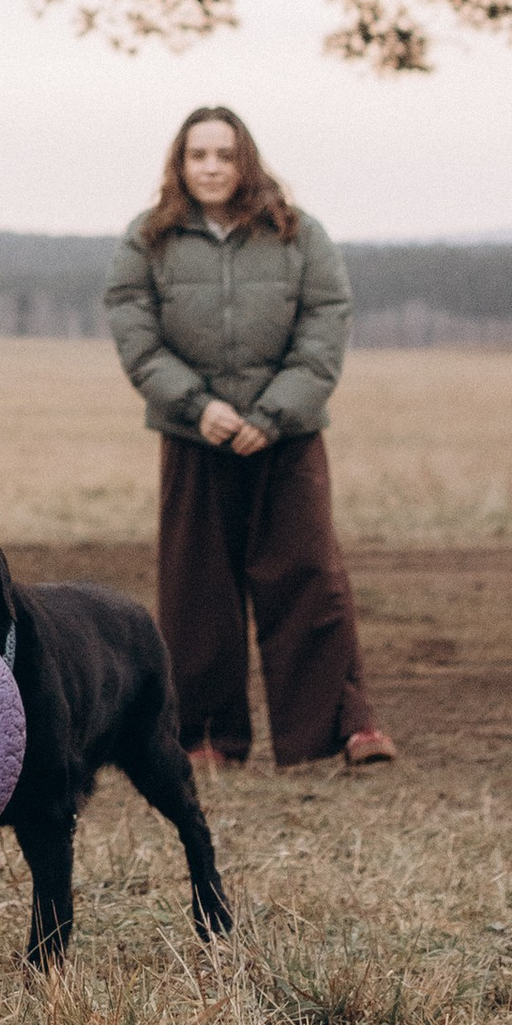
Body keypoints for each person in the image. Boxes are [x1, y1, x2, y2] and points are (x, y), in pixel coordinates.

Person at [104, 105, 395, 774]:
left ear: (247, 162)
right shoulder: (148, 239)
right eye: (197, 155)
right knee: (196, 589)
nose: (211, 167)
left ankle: (340, 730)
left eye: (225, 155)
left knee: (311, 578)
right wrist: (195, 404)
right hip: (193, 436)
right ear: (179, 165)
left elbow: (326, 325)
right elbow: (135, 333)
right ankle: (206, 737)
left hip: (286, 437)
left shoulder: (298, 234)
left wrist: (275, 413)